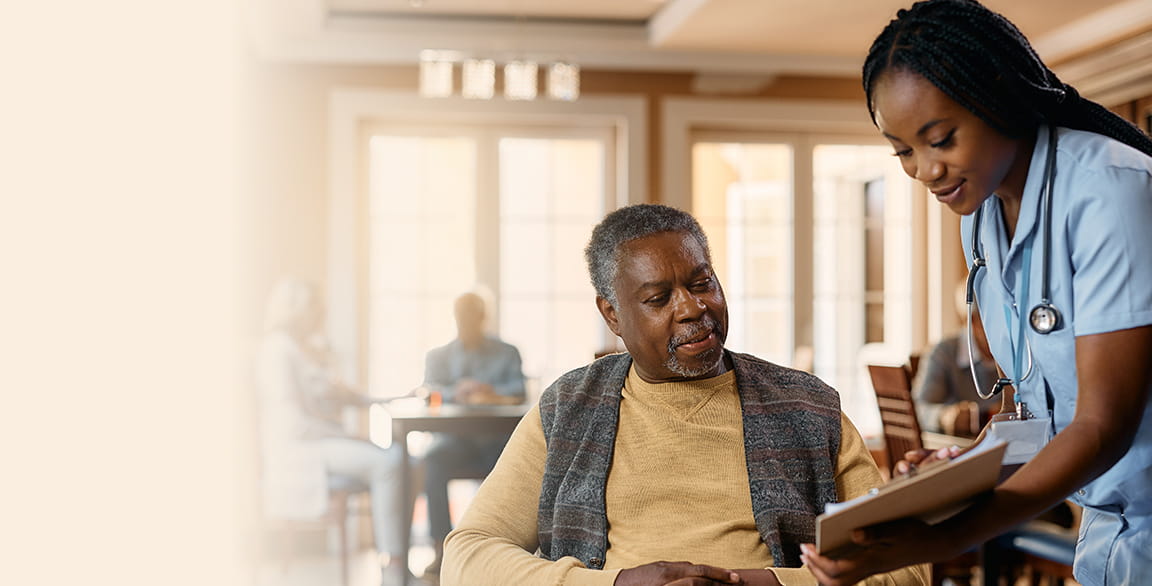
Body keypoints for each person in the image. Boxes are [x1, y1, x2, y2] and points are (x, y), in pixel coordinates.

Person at [801, 1, 1152, 585]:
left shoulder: (1110, 193)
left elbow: (1101, 425)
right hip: (1109, 536)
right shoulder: (981, 216)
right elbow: (1039, 408)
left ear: (996, 96)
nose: (924, 171)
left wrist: (943, 538)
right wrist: (963, 471)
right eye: (904, 151)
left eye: (939, 139)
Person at [441, 204, 926, 586]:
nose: (694, 308)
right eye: (658, 299)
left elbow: (907, 569)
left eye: (703, 282)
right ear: (612, 315)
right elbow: (467, 556)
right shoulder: (569, 408)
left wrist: (771, 583)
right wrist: (617, 584)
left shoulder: (809, 408)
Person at [254, 277, 407, 582]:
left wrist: (398, 398)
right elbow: (293, 423)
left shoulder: (308, 349)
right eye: (315, 306)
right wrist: (350, 437)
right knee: (389, 461)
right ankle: (393, 566)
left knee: (408, 460)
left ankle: (404, 557)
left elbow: (345, 395)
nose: (322, 312)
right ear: (296, 309)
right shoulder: (276, 350)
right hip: (299, 449)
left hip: (322, 440)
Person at [420, 290, 526, 577]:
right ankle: (441, 548)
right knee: (431, 463)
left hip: (498, 443)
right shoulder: (438, 356)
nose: (467, 323)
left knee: (520, 468)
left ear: (483, 318)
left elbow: (519, 391)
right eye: (462, 317)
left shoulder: (507, 353)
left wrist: (490, 392)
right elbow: (429, 391)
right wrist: (457, 392)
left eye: (473, 317)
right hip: (456, 443)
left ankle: (505, 552)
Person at [911, 278, 1000, 437]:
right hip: (957, 450)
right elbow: (918, 410)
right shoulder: (943, 353)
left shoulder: (1022, 354)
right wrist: (944, 417)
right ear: (972, 321)